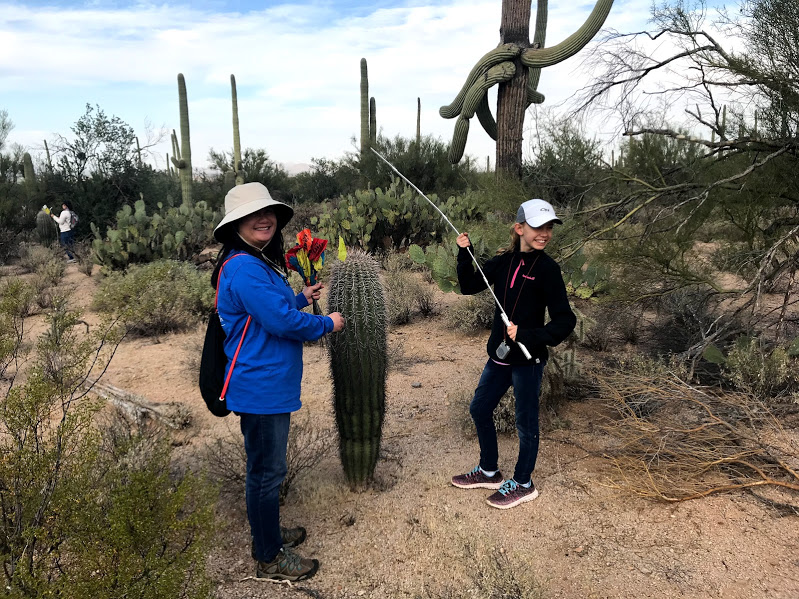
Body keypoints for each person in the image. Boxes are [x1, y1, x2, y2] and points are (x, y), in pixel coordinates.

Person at [211, 182, 345, 581]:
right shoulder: (244, 267)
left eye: (267, 212)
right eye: (252, 215)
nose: (263, 218)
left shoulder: (252, 262)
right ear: (235, 225)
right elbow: (281, 322)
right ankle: (268, 555)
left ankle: (268, 533)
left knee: (266, 470)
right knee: (267, 473)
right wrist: (326, 322)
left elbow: (270, 309)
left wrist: (302, 297)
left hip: (266, 383)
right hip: (260, 387)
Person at [450, 199, 576, 509]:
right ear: (519, 228)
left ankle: (523, 483)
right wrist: (464, 253)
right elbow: (468, 285)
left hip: (527, 359)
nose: (543, 233)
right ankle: (489, 470)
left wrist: (530, 335)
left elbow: (565, 320)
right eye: (537, 227)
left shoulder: (548, 269)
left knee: (525, 423)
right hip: (500, 355)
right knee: (480, 408)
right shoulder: (503, 261)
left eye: (548, 227)